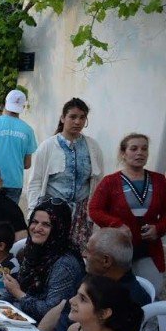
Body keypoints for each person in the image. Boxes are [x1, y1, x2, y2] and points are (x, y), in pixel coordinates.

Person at [89, 133, 166, 294]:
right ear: (123, 153)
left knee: (151, 291)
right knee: (111, 293)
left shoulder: (159, 180)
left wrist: (159, 228)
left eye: (144, 149)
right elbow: (94, 210)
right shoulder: (110, 182)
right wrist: (117, 225)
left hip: (148, 248)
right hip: (117, 248)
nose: (140, 153)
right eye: (133, 148)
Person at [39, 226, 152, 331]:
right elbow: (61, 311)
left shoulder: (132, 300)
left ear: (106, 261)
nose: (83, 254)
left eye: (88, 250)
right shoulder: (87, 278)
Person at [26, 97, 104, 245]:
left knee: (77, 253)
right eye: (73, 117)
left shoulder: (92, 147)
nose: (77, 122)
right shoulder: (48, 146)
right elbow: (35, 181)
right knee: (50, 250)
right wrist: (33, 213)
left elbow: (98, 182)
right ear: (63, 118)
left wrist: (95, 211)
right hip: (53, 211)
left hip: (81, 213)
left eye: (82, 118)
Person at [1, 198, 86, 321]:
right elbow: (17, 287)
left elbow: (49, 311)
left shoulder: (64, 264)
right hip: (18, 316)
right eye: (34, 222)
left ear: (59, 228)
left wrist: (17, 293)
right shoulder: (35, 249)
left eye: (46, 224)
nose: (37, 228)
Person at [0, 89, 37, 203]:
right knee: (8, 218)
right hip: (15, 183)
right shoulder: (28, 130)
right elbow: (27, 164)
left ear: (6, 102)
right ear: (22, 107)